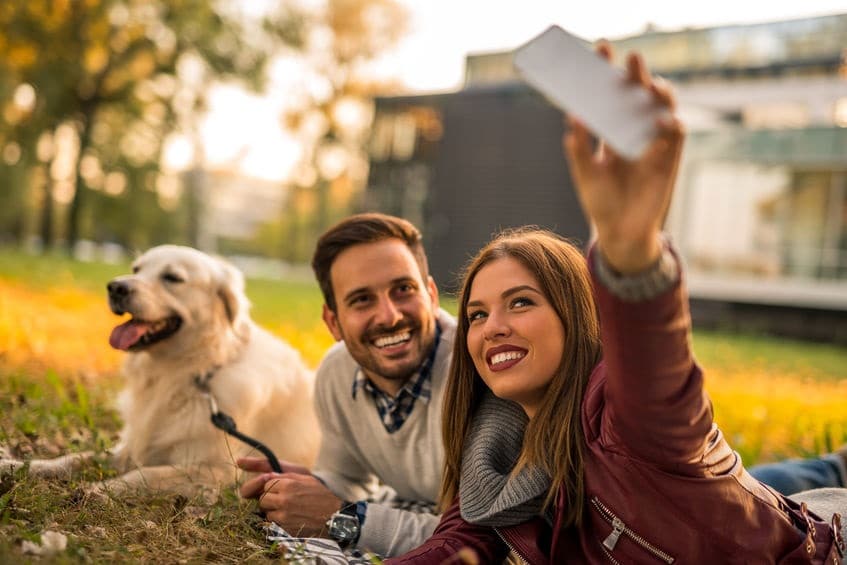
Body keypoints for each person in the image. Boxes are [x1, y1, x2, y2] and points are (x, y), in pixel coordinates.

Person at [387, 45, 846, 563]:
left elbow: (654, 362)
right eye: (476, 313)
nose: (492, 327)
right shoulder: (492, 451)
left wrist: (632, 255)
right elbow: (456, 543)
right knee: (777, 480)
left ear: (575, 315)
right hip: (736, 505)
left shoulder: (627, 418)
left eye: (520, 303)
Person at [238, 212, 453, 556]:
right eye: (362, 300)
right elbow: (348, 479)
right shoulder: (336, 373)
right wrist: (306, 487)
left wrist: (341, 519)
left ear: (431, 294)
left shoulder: (477, 374)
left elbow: (481, 540)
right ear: (333, 322)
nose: (390, 316)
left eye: (403, 289)